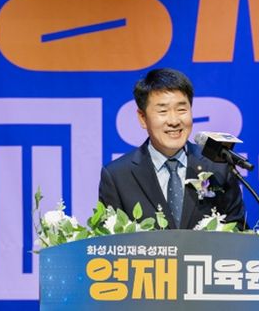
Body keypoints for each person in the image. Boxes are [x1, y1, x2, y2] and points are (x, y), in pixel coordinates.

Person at [98, 68, 246, 229]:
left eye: (182, 109)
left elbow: (237, 231)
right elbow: (108, 239)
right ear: (142, 118)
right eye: (163, 111)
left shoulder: (218, 167)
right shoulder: (118, 176)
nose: (174, 121)